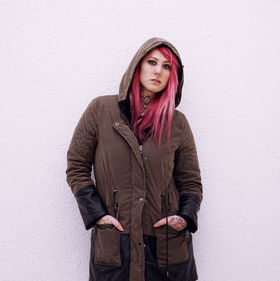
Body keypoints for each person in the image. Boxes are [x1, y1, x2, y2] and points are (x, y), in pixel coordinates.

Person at [66, 37, 202, 281]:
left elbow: (191, 182)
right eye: (152, 62)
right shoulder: (101, 110)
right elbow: (76, 167)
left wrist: (184, 218)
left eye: (167, 66)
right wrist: (98, 215)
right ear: (137, 66)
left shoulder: (177, 123)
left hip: (166, 246)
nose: (158, 71)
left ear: (173, 77)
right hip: (116, 241)